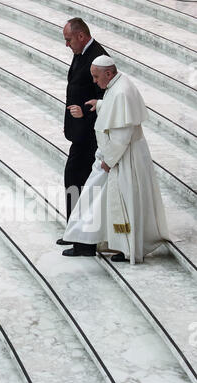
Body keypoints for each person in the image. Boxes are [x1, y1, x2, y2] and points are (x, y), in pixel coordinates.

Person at [62, 55, 169, 264]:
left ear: (108, 73)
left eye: (96, 76)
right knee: (99, 202)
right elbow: (117, 110)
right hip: (119, 157)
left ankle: (120, 247)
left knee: (120, 205)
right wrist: (100, 104)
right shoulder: (119, 84)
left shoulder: (121, 91)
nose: (94, 81)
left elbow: (121, 135)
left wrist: (109, 160)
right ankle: (99, 243)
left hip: (122, 160)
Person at [56, 18, 108, 246]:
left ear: (80, 36)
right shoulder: (82, 53)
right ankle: (74, 229)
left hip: (89, 134)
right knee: (75, 179)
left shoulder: (97, 57)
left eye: (69, 40)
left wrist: (85, 115)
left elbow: (104, 97)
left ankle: (78, 232)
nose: (67, 45)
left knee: (76, 177)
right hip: (80, 132)